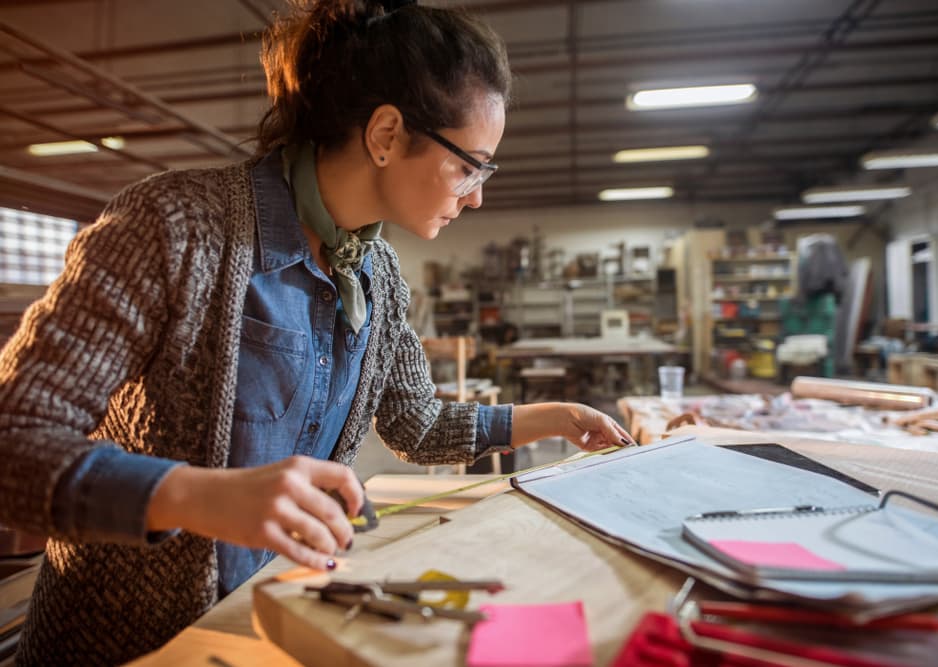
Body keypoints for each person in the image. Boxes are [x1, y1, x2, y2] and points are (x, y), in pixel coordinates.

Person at [0, 1, 634, 664]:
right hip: (116, 644)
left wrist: (551, 417)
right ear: (386, 135)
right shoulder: (176, 226)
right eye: (471, 164)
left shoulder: (377, 274)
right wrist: (198, 497)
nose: (477, 195)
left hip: (265, 623)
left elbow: (414, 424)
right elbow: (15, 441)